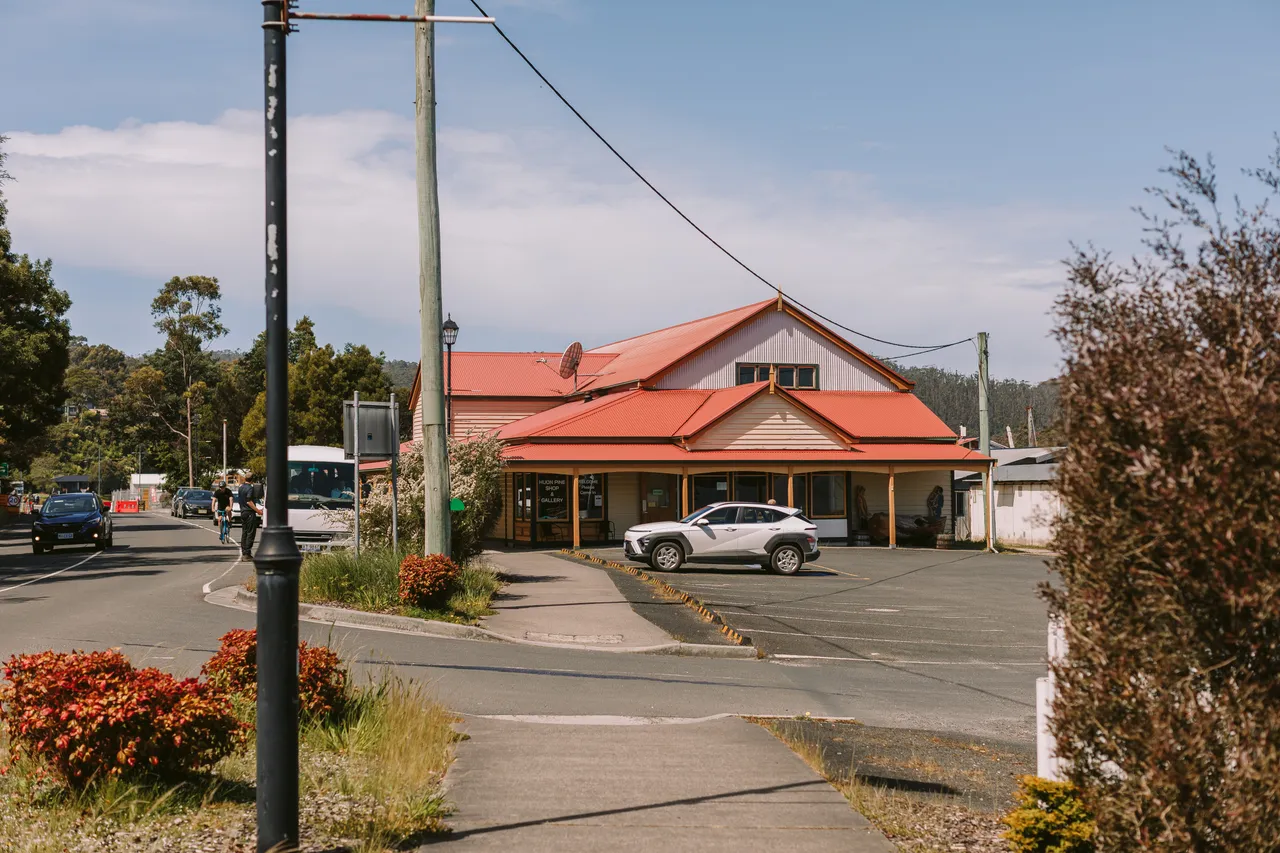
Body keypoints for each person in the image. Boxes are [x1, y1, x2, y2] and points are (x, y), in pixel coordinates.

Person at [237, 473, 264, 557]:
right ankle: (247, 552)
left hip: (243, 512)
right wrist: (258, 511)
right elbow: (249, 501)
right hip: (249, 512)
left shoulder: (240, 488)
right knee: (250, 533)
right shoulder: (250, 488)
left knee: (244, 532)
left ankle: (244, 550)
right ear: (252, 479)